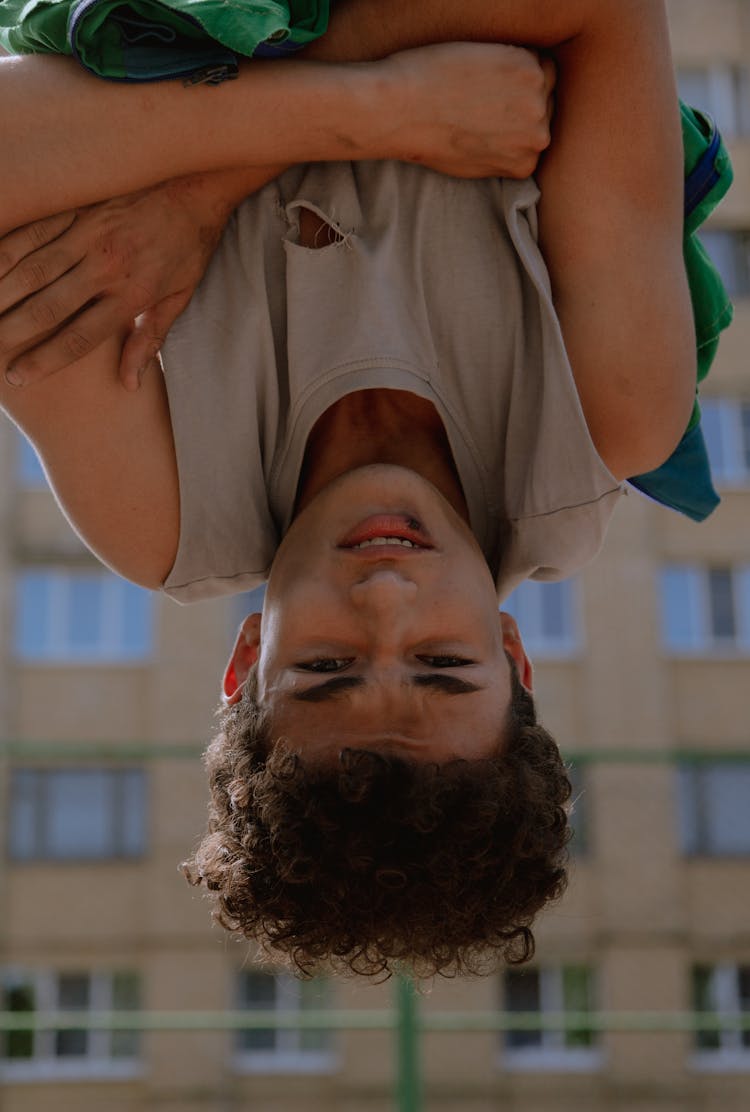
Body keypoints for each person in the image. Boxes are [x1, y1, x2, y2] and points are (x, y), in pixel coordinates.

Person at [0, 0, 704, 977]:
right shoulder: (607, 409)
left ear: (247, 660)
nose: (383, 596)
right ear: (512, 656)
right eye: (441, 666)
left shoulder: (158, 509)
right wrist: (351, 103)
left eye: (327, 668)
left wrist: (343, 124)